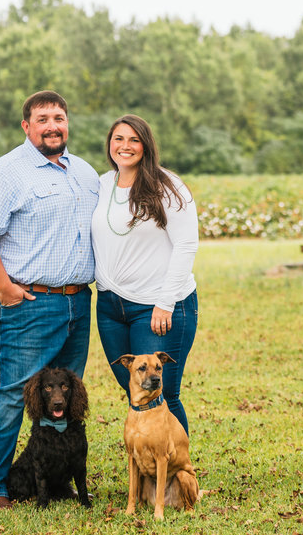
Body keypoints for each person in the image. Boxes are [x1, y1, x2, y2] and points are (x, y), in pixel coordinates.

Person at [0, 90, 99, 509]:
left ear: (67, 122)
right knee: (12, 391)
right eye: (42, 119)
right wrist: (3, 286)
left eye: (58, 116)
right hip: (28, 303)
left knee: (62, 398)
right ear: (27, 126)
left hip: (79, 302)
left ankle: (56, 480)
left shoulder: (84, 173)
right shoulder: (5, 173)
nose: (52, 125)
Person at [91, 114, 199, 435]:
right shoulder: (103, 184)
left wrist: (165, 303)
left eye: (134, 140)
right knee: (135, 393)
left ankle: (177, 480)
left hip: (156, 308)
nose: (125, 146)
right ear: (110, 143)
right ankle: (148, 470)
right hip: (110, 307)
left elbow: (186, 245)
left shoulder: (167, 185)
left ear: (146, 145)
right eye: (118, 139)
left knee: (161, 394)